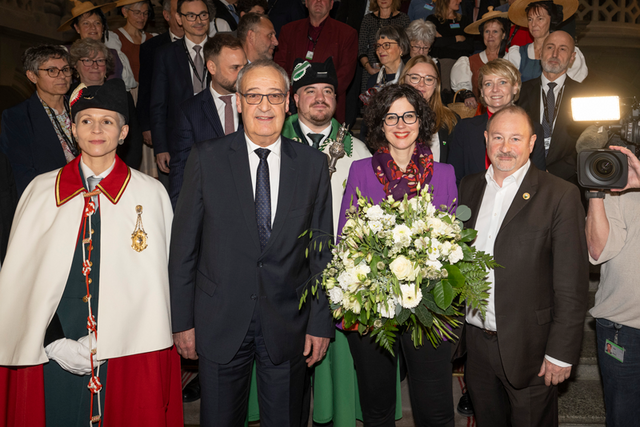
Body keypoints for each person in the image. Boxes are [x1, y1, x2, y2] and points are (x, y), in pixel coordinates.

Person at [0, 78, 182, 427]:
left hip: (128, 346)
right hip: (51, 346)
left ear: (124, 131)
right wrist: (53, 342)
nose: (96, 129)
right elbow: (20, 283)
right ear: (72, 128)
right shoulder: (40, 192)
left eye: (108, 121)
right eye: (86, 120)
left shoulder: (152, 194)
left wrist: (109, 337)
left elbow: (159, 287)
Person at [169, 59, 334, 427]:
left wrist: (320, 323)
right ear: (238, 102)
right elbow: (183, 249)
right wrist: (182, 321)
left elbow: (321, 254)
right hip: (218, 321)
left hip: (288, 324)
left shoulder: (312, 165)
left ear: (288, 101)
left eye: (274, 96)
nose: (264, 106)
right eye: (254, 95)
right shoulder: (206, 158)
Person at [458, 105, 589, 427]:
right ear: (486, 140)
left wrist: (560, 352)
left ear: (531, 143)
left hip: (531, 346)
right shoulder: (468, 187)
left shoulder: (560, 194)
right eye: (499, 137)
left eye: (515, 138)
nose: (506, 147)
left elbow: (571, 284)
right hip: (476, 343)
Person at [338, 83, 458, 426]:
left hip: (429, 308)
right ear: (379, 124)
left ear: (421, 121)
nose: (400, 124)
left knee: (434, 408)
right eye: (391, 117)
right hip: (374, 307)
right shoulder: (360, 171)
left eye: (408, 115)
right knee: (376, 408)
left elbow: (455, 245)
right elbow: (346, 237)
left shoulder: (445, 174)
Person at [282, 58, 371, 235]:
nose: (320, 98)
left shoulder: (359, 154)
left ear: (335, 98)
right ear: (296, 99)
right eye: (311, 91)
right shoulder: (274, 146)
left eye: (327, 91)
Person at [586, 177, 640, 427]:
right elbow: (598, 252)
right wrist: (596, 193)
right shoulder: (621, 182)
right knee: (622, 418)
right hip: (624, 324)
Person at [170, 33, 247, 207]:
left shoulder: (256, 103)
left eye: (244, 66)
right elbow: (181, 168)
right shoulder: (190, 111)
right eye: (234, 68)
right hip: (209, 206)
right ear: (212, 67)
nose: (242, 74)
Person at [448, 58, 545, 185]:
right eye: (488, 84)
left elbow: (537, 181)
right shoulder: (465, 129)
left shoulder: (532, 128)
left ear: (515, 87)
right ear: (482, 92)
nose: (495, 89)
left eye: (502, 82)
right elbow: (454, 179)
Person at [0, 45, 76, 196]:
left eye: (66, 69)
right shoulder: (17, 116)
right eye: (52, 70)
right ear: (32, 76)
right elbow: (21, 172)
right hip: (48, 198)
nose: (62, 76)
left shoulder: (83, 109)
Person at [150, 0, 211, 185]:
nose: (198, 20)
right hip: (179, 141)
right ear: (179, 18)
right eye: (191, 16)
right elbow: (158, 104)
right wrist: (161, 148)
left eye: (203, 14)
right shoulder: (165, 55)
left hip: (216, 137)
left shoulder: (221, 50)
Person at [518, 30, 588, 183]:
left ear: (572, 57)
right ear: (541, 52)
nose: (555, 53)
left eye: (563, 49)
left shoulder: (586, 95)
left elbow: (587, 142)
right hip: (523, 177)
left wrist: (555, 172)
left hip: (567, 181)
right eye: (550, 47)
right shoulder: (519, 92)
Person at [274, 0, 358, 123]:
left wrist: (318, 96)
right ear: (306, 3)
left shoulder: (347, 34)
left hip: (327, 108)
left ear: (331, 4)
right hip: (292, 107)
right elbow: (279, 69)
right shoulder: (288, 30)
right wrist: (298, 95)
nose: (318, 1)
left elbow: (344, 76)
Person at [69, 38, 143, 169]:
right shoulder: (67, 96)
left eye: (100, 60)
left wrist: (126, 170)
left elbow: (134, 140)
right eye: (87, 60)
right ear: (75, 65)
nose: (95, 66)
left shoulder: (122, 96)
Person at [138, 0, 184, 176]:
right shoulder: (152, 47)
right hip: (165, 126)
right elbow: (146, 90)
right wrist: (147, 126)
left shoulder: (202, 44)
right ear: (166, 15)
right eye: (177, 11)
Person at [58, 0, 137, 90]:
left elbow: (128, 89)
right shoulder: (65, 54)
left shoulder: (116, 55)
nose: (93, 27)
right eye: (86, 23)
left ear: (103, 27)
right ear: (77, 28)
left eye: (97, 23)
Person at [506, 0, 586, 82]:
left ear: (551, 20)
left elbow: (575, 86)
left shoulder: (567, 52)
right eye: (530, 19)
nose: (533, 24)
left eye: (540, 19)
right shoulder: (517, 54)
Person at [400, 54, 458, 163]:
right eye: (415, 78)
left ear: (436, 84)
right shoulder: (389, 118)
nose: (421, 84)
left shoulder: (451, 120)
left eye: (429, 79)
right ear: (404, 80)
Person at [450, 7, 509, 109]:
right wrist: (468, 96)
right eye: (487, 32)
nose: (490, 35)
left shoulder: (511, 58)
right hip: (479, 114)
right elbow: (463, 88)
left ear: (503, 35)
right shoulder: (470, 62)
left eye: (495, 31)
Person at [360, 26, 410, 142]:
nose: (380, 50)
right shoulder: (373, 81)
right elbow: (367, 121)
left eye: (387, 45)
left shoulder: (410, 79)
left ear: (401, 48)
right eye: (378, 46)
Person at [358, 0, 410, 94]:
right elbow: (361, 48)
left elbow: (406, 45)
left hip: (396, 70)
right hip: (369, 71)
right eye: (378, 46)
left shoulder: (403, 19)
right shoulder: (368, 19)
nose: (383, 0)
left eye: (386, 45)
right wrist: (369, 68)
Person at [105, 0, 155, 87]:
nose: (142, 17)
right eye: (137, 12)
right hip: (128, 91)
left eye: (145, 13)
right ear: (125, 12)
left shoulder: (152, 39)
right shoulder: (115, 38)